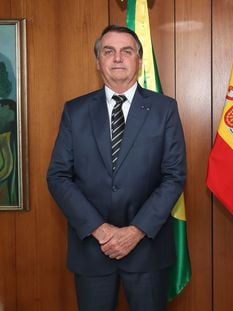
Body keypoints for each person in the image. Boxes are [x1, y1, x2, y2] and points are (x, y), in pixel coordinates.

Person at [47, 25, 186, 311]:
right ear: (98, 61)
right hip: (92, 249)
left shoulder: (164, 109)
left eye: (126, 51)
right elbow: (58, 176)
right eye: (108, 51)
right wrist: (100, 230)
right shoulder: (75, 111)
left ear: (139, 60)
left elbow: (174, 177)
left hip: (147, 248)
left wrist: (134, 231)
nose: (118, 58)